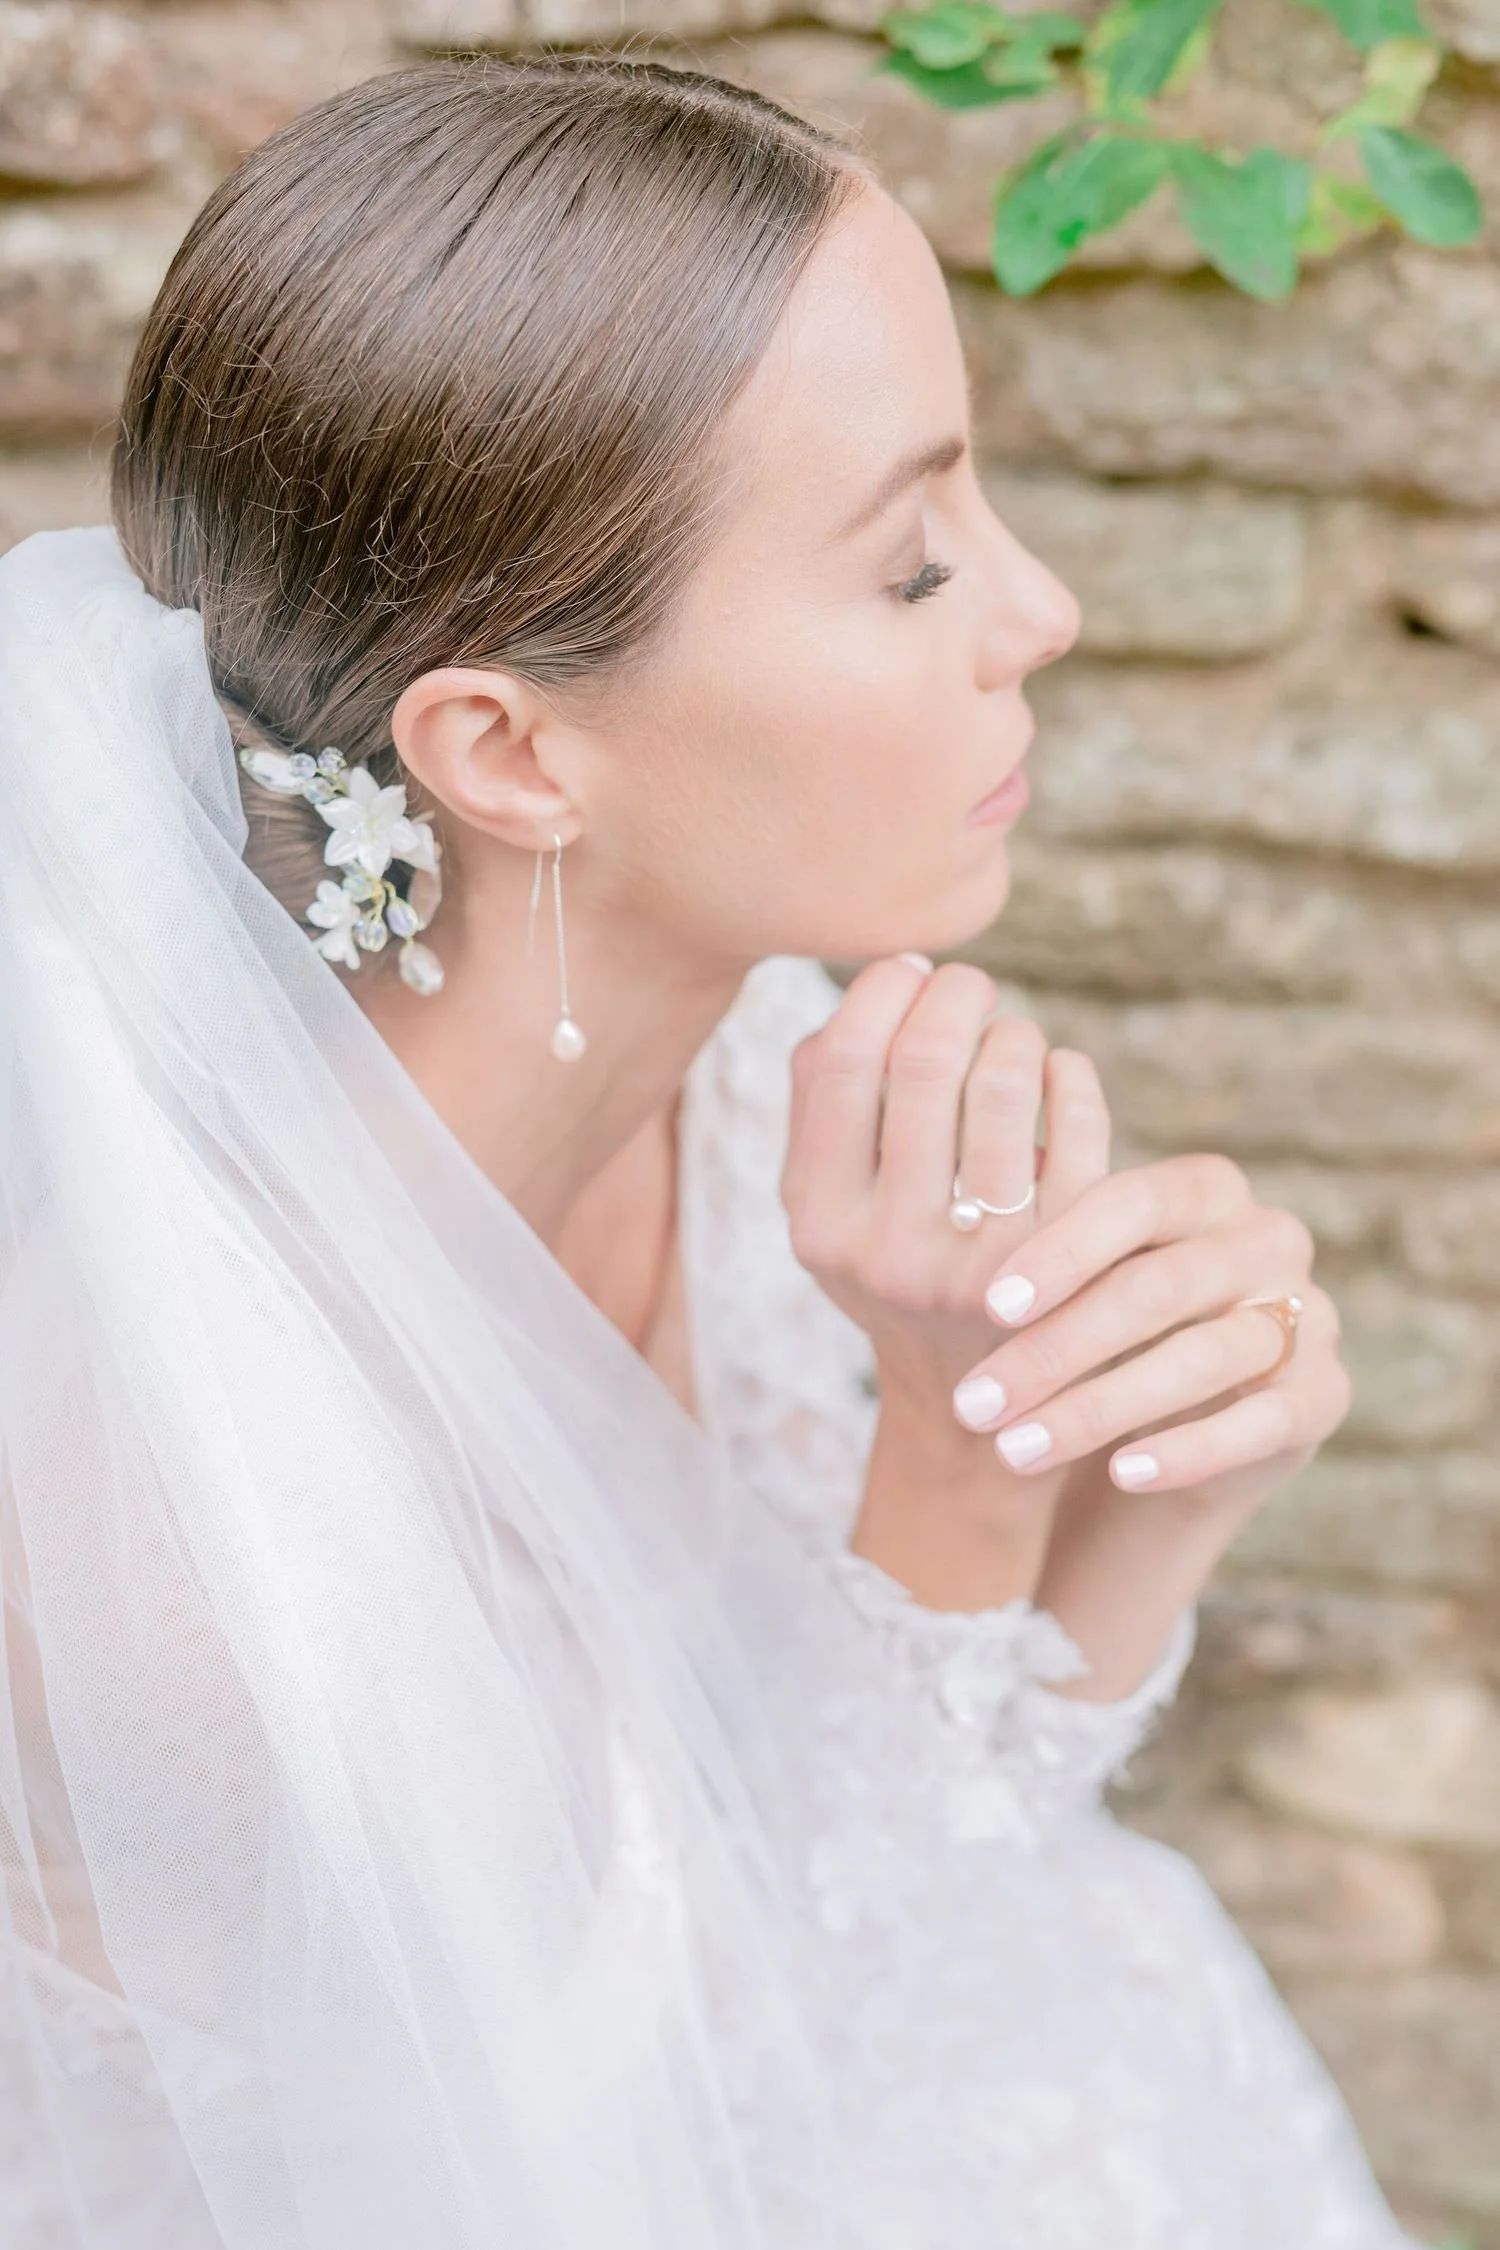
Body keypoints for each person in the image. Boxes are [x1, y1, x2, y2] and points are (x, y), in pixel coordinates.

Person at [0, 53, 1412, 2250]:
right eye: (915, 562)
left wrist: (1143, 1495)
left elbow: (894, 1821)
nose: (1041, 611)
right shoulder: (174, 1555)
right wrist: (957, 1470)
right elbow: (692, 2138)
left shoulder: (742, 1054)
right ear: (508, 753)